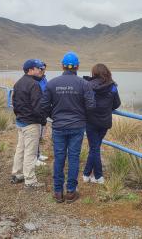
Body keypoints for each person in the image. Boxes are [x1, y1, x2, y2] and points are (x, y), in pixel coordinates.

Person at [40, 51, 95, 203]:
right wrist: (81, 116)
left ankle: (58, 192)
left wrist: (55, 116)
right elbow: (91, 106)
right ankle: (71, 191)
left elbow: (44, 106)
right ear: (77, 66)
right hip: (77, 127)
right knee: (73, 158)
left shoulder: (52, 83)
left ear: (63, 66)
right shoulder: (84, 84)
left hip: (58, 127)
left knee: (59, 158)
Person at [10, 59, 47, 189]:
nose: (41, 70)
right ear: (30, 70)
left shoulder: (18, 83)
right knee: (30, 153)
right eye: (38, 68)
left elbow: (13, 102)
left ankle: (17, 174)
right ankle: (30, 180)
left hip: (21, 122)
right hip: (31, 123)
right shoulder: (34, 85)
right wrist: (43, 121)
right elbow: (38, 107)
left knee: (20, 149)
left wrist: (19, 116)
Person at [82, 63, 121, 184]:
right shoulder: (113, 86)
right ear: (106, 72)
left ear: (94, 73)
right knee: (95, 148)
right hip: (104, 123)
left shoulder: (88, 85)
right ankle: (86, 174)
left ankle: (98, 177)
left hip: (91, 122)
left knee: (94, 148)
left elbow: (84, 103)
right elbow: (116, 104)